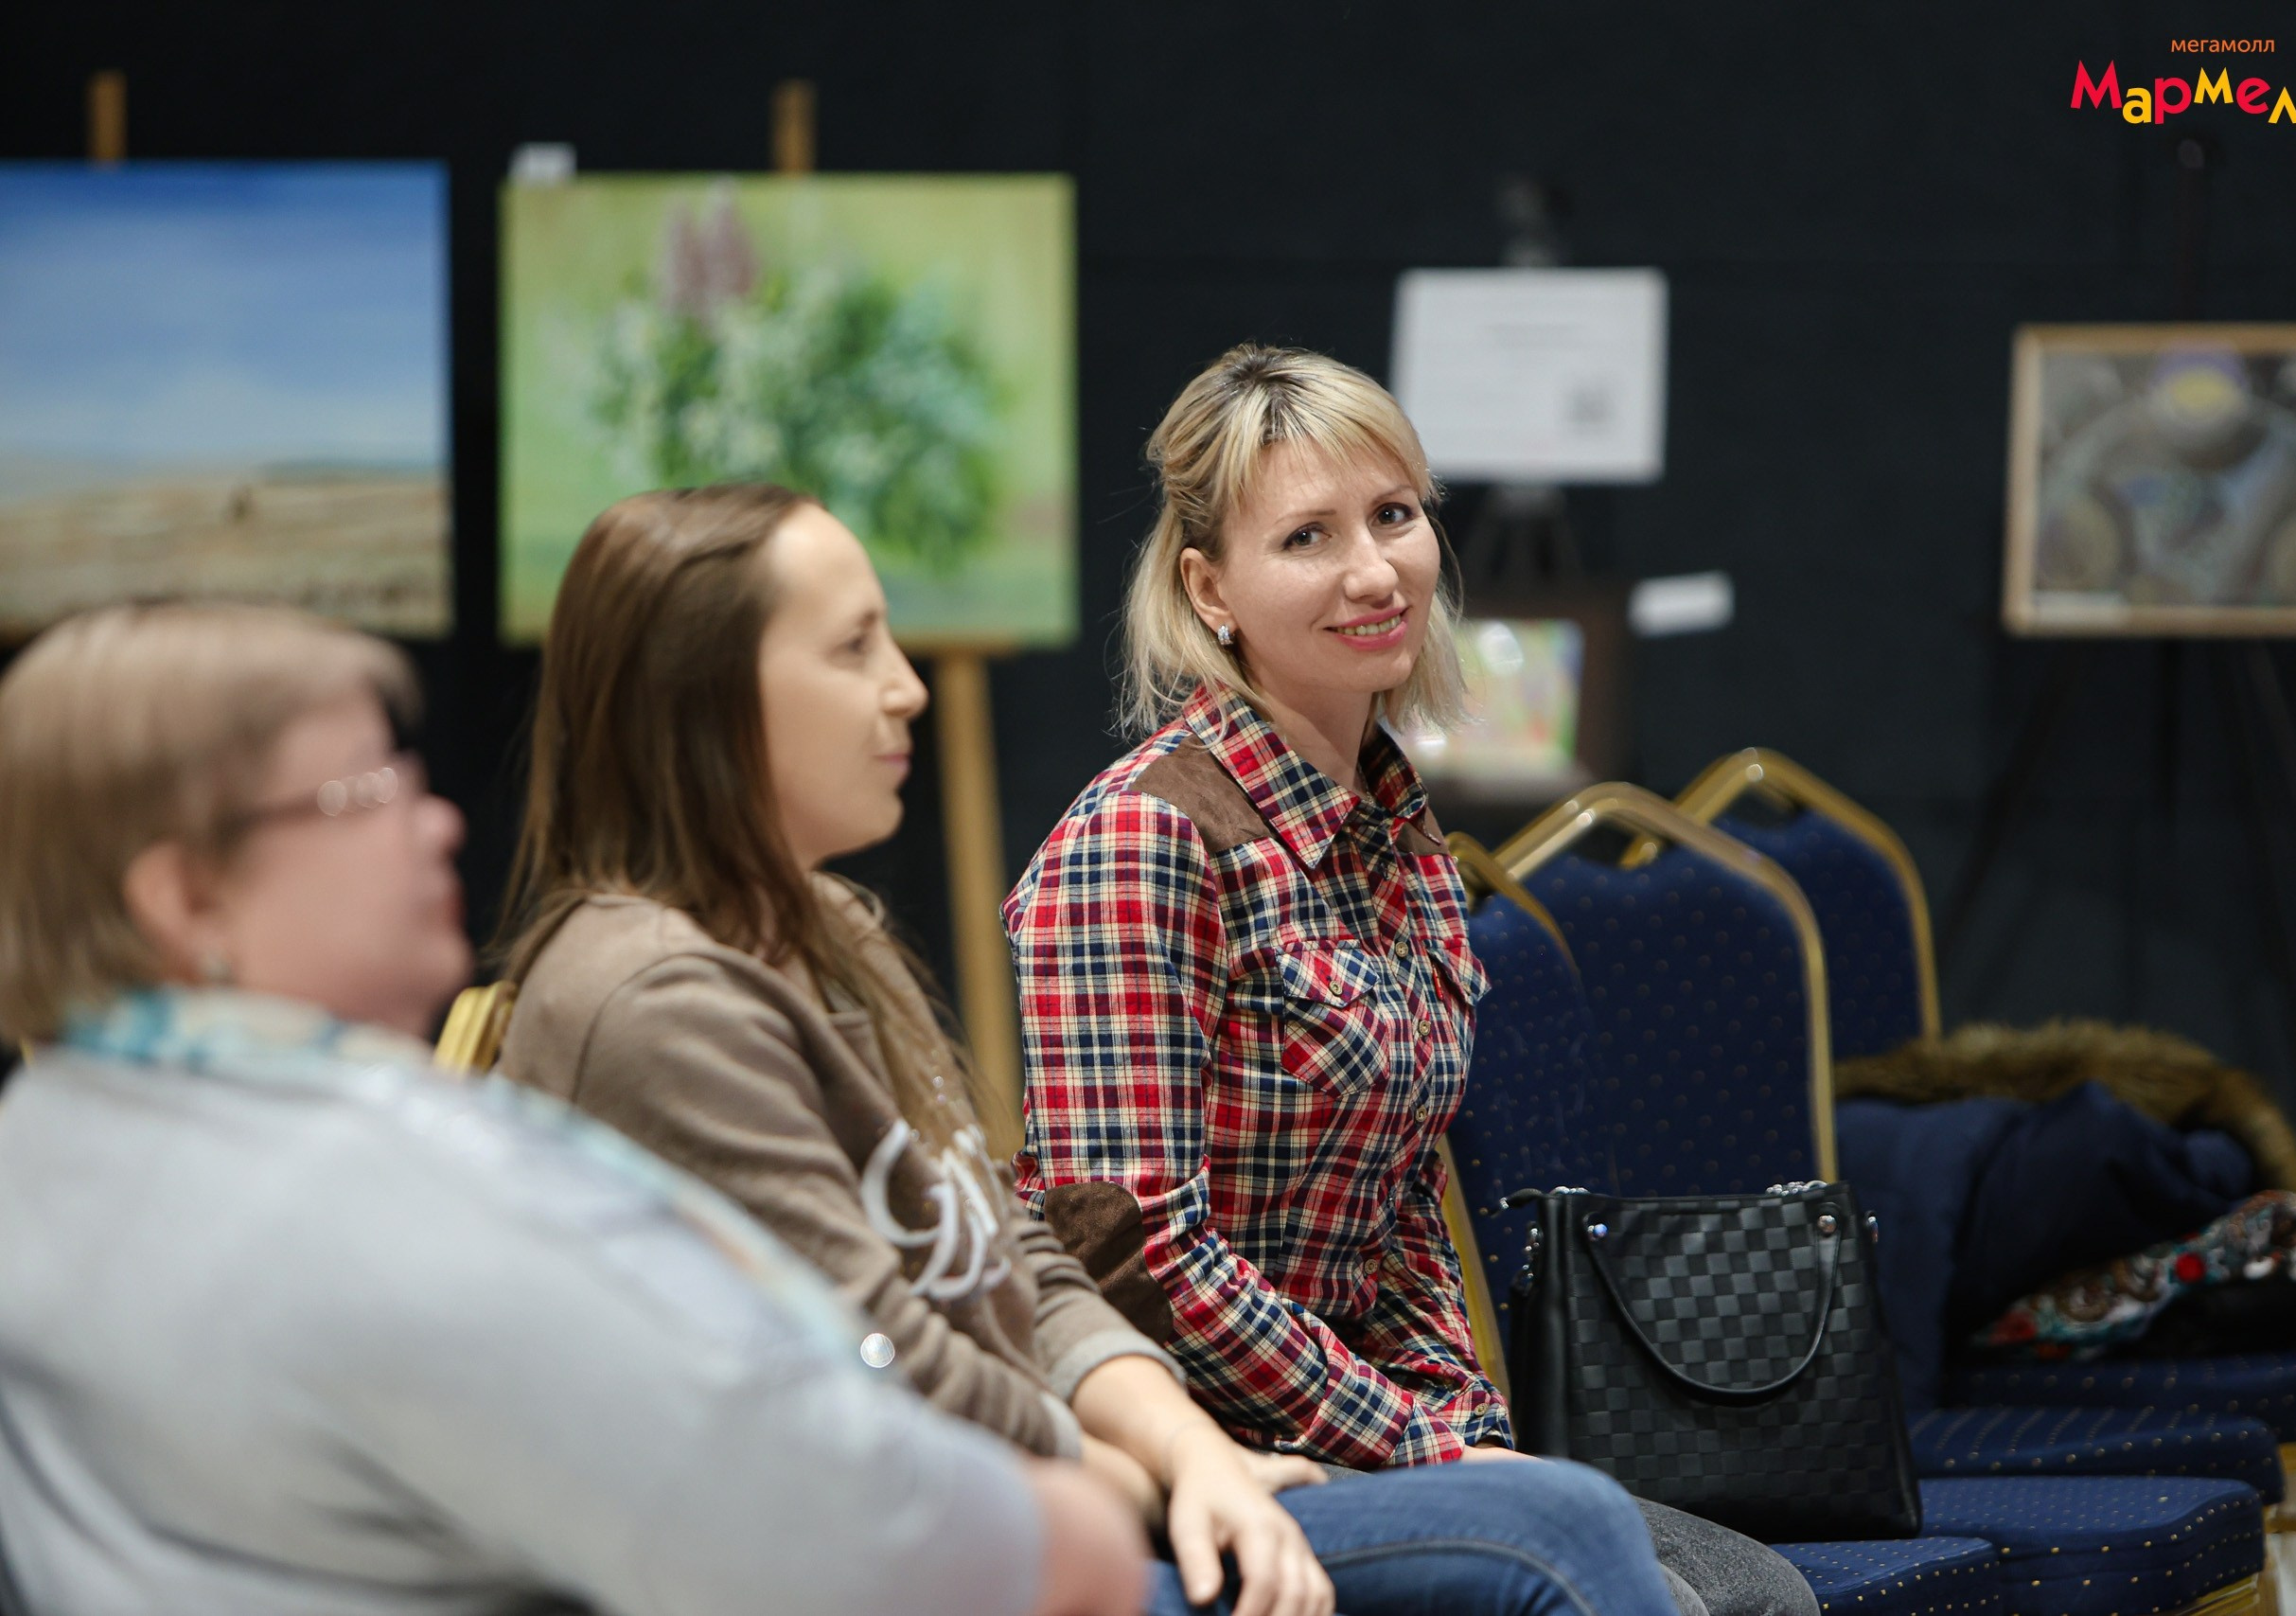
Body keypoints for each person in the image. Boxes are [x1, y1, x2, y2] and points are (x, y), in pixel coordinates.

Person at [493, 483, 1679, 1616]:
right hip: (886, 1544)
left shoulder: (828, 928)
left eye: (1394, 516)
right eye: (853, 650)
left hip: (1062, 1477)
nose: (906, 689)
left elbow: (1013, 1253)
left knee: (1675, 1561)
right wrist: (1162, 1476)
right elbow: (881, 1348)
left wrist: (1196, 1451)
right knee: (1564, 1536)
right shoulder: (650, 996)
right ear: (704, 698)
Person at [0, 603, 1148, 1616]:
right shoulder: (401, 1202)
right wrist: (1104, 1502)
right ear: (186, 895)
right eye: (366, 791)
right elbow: (904, 1550)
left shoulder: (49, 1132)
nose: (438, 819)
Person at [1006, 346, 1817, 1616]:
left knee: (1759, 1591)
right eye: (1309, 537)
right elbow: (1137, 1254)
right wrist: (1423, 1441)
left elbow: (1396, 1213)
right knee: (1613, 1564)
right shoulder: (1141, 842)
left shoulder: (1395, 829)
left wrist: (1458, 1414)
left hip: (1360, 1432)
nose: (1375, 570)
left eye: (1394, 515)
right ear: (1209, 585)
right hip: (1185, 1451)